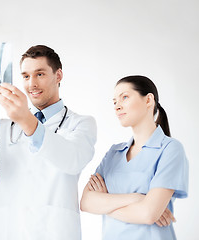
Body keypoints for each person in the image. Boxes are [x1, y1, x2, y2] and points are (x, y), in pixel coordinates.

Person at [0, 45, 97, 239]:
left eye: (40, 74)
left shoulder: (81, 123)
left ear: (59, 75)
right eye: (26, 76)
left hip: (54, 231)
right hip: (8, 231)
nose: (32, 84)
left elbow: (73, 160)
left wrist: (27, 121)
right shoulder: (5, 128)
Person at [80, 75, 189, 240]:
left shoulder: (170, 149)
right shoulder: (113, 153)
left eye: (124, 97)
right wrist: (137, 198)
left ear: (148, 101)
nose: (117, 106)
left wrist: (105, 203)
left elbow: (148, 214)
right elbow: (86, 203)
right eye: (114, 101)